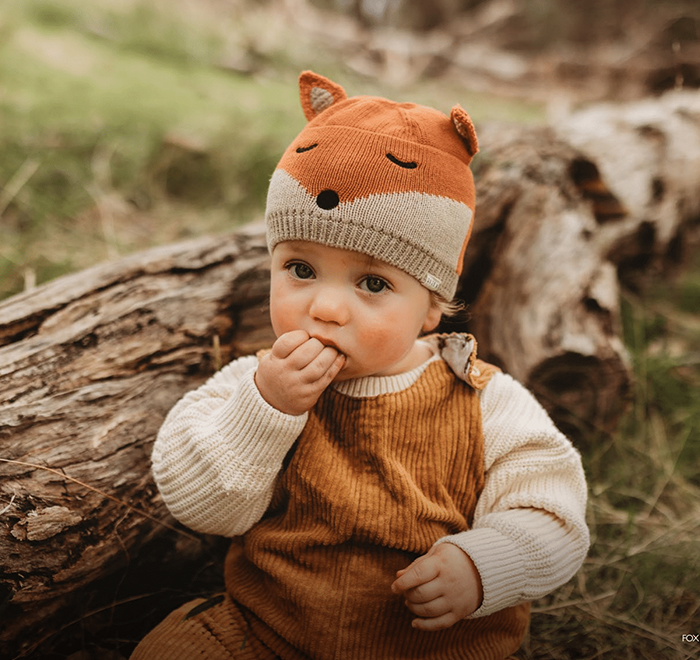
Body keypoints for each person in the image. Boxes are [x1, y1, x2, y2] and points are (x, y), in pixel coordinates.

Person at [131, 71, 589, 660]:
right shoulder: (255, 385)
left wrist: (484, 566)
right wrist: (266, 410)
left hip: (428, 648)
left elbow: (553, 511)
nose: (324, 307)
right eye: (300, 268)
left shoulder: (483, 401)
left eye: (372, 282)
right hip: (268, 630)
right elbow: (201, 507)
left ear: (431, 310)